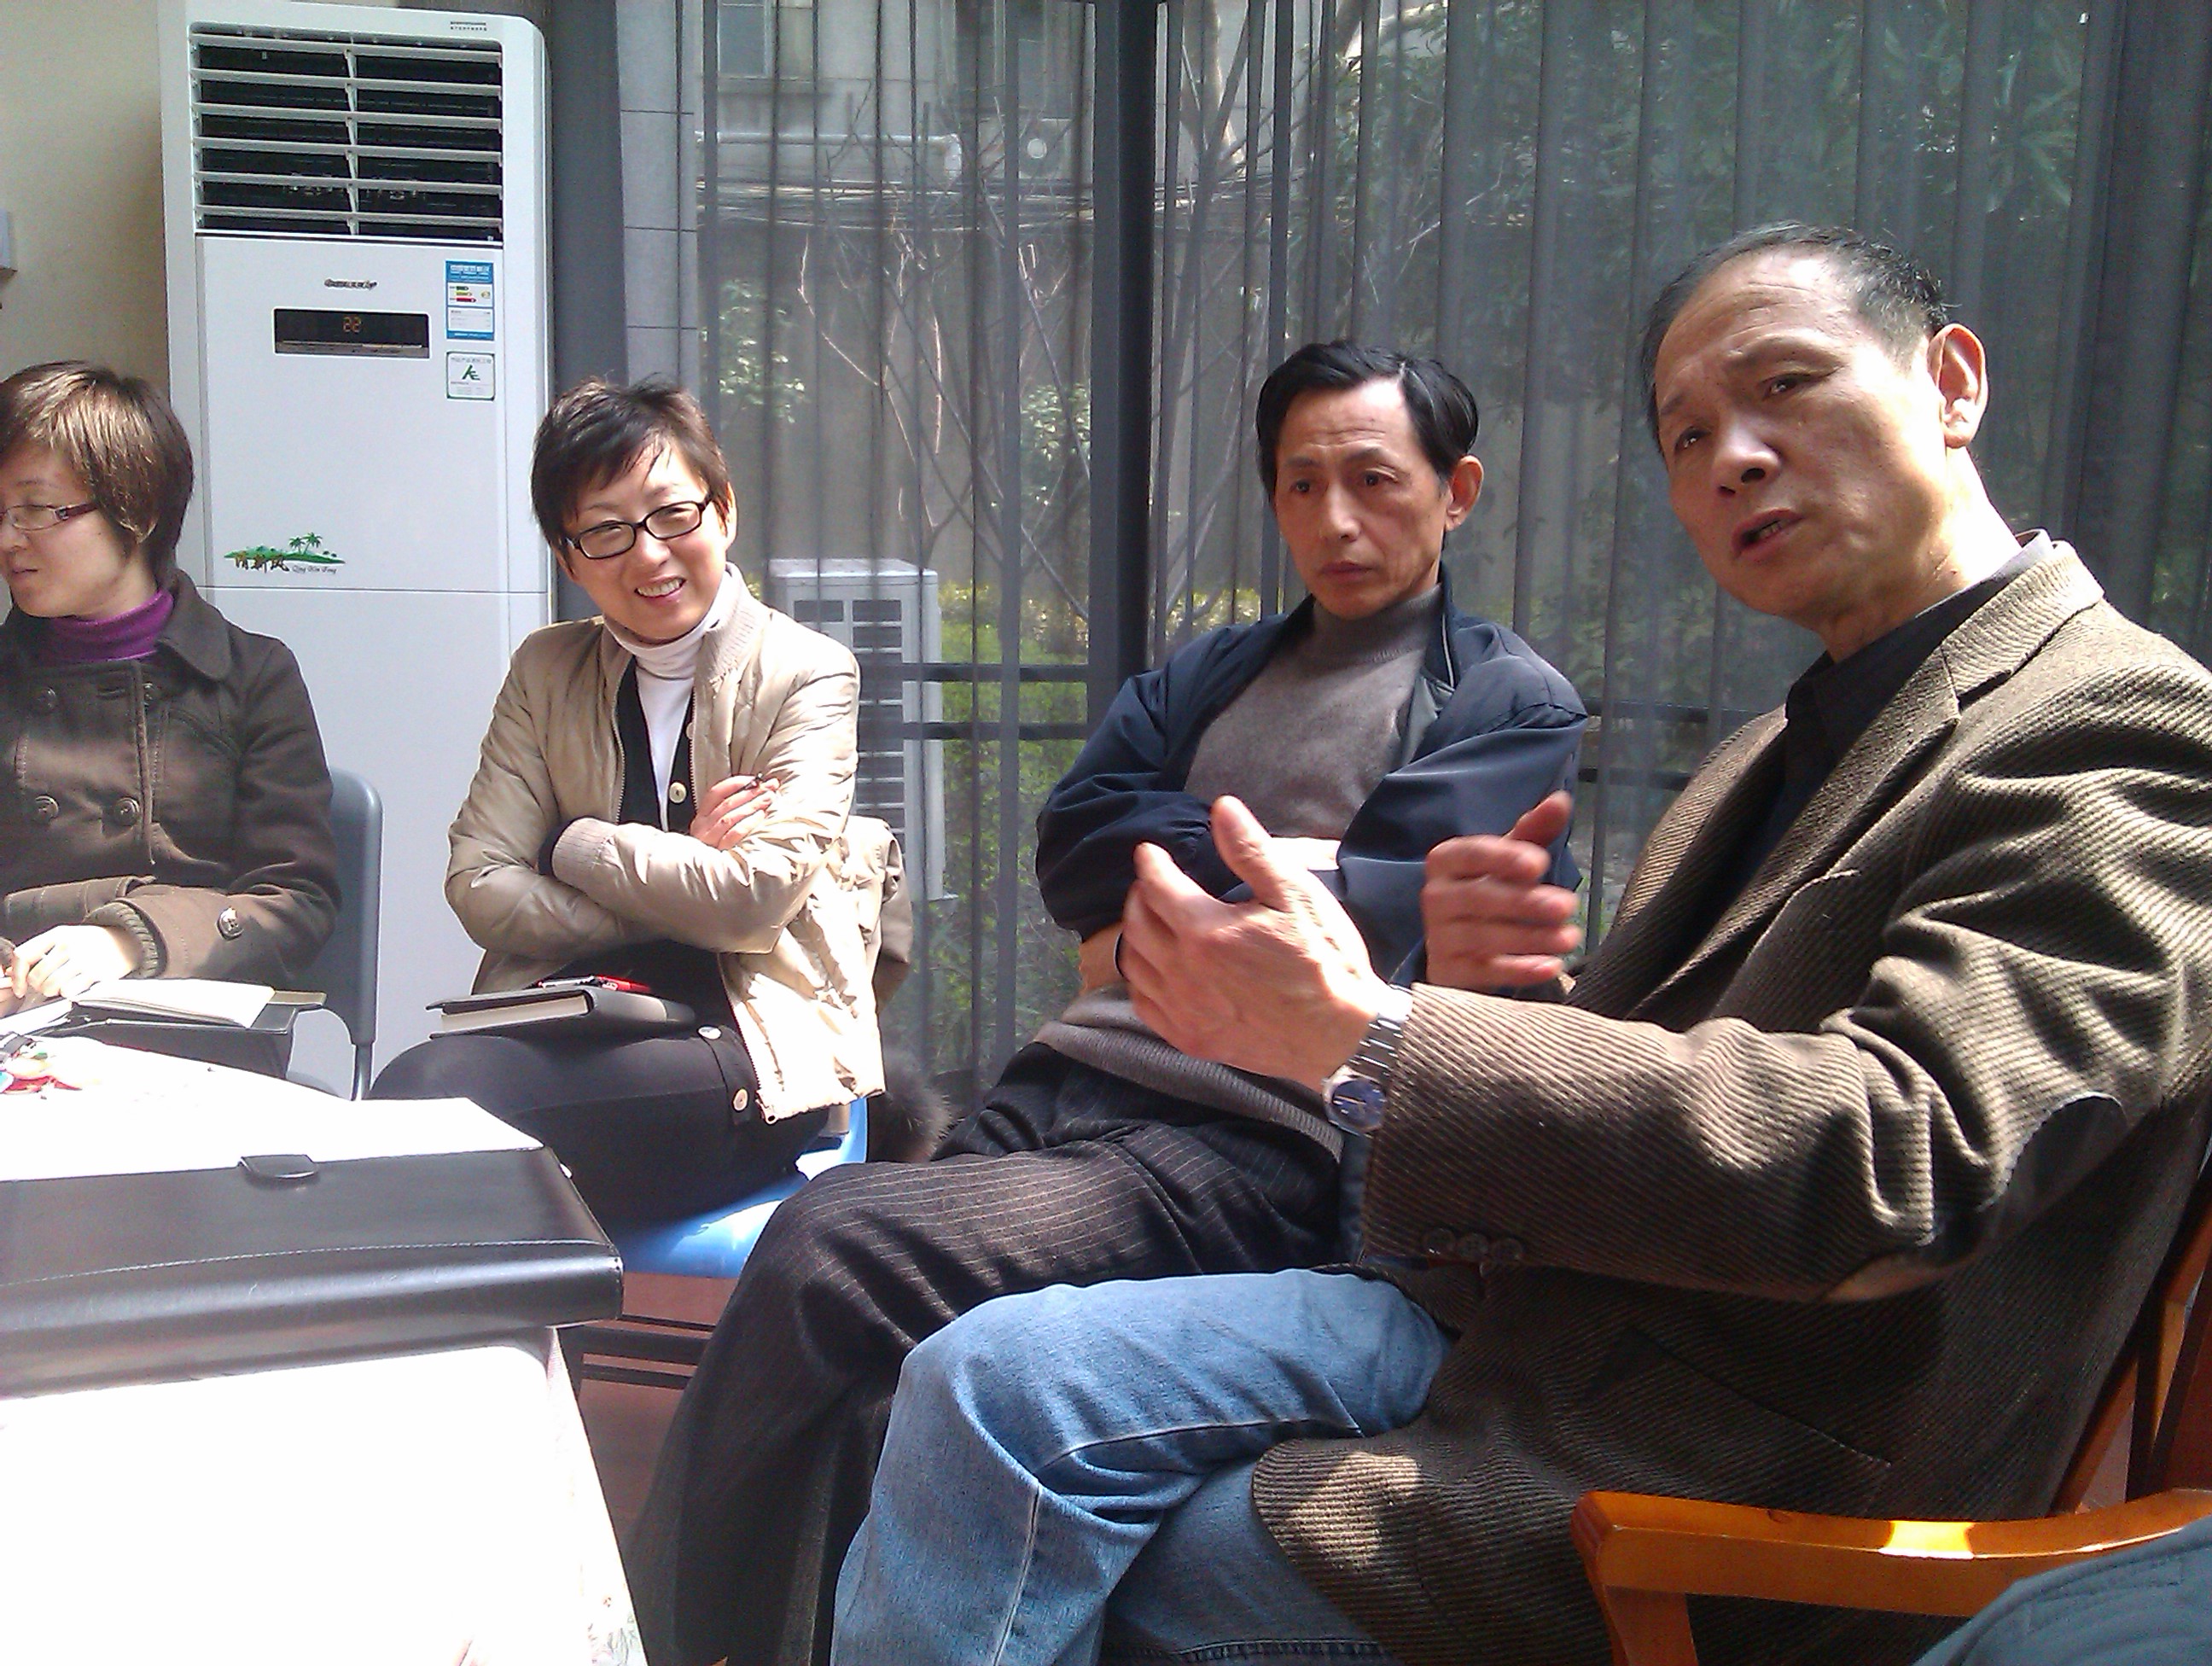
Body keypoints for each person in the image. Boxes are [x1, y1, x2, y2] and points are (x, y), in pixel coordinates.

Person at [829, 225, 2212, 1666]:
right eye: (1686, 434)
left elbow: (1899, 1154)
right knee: (976, 1378)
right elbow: (1093, 829)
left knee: (1043, 1508)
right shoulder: (1769, 747)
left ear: (1952, 382)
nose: (1733, 458)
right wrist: (1496, 989)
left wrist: (1380, 1034)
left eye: (1785, 386)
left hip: (1712, 1472)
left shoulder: (2111, 723)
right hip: (1509, 1318)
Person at [629, 342, 1588, 1666]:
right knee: (873, 1394)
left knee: (829, 1242)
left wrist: (1190, 868)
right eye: (1301, 484)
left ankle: (639, 1640)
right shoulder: (1216, 671)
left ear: (1456, 491)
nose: (1335, 519)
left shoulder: (1503, 699)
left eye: (1373, 480)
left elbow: (1392, 911)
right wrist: (1285, 857)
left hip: (1248, 1140)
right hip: (1068, 1083)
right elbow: (1077, 837)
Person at [370, 377, 896, 1226]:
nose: (649, 555)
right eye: (607, 531)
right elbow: (478, 884)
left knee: (441, 1115)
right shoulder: (546, 671)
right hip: (572, 1011)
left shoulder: (808, 671)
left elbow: (753, 899)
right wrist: (680, 875)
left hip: (749, 1041)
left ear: (723, 510)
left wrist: (574, 846)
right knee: (419, 1102)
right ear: (568, 557)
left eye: (672, 515)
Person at [0, 361, 337, 1015]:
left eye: (36, 510)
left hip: (185, 1016)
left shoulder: (251, 676)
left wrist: (130, 939)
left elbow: (298, 903)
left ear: (138, 510)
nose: (9, 539)